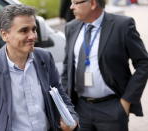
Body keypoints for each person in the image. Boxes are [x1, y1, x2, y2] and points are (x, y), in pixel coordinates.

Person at [0, 4, 78, 131]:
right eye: (24, 30)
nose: (33, 36)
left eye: (34, 29)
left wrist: (71, 118)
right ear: (4, 35)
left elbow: (60, 95)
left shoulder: (44, 58)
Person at [61, 0, 148, 131]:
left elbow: (143, 63)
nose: (71, 7)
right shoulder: (71, 27)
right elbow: (67, 68)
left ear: (93, 3)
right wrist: (66, 107)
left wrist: (126, 101)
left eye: (76, 2)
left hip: (112, 109)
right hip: (80, 108)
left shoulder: (122, 25)